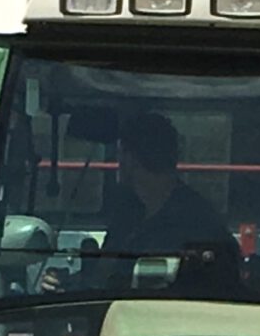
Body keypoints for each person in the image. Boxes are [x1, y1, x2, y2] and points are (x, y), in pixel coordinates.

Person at [101, 111, 237, 284]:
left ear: (131, 159)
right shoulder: (127, 212)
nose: (117, 161)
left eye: (120, 152)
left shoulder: (199, 222)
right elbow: (103, 270)